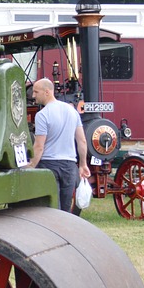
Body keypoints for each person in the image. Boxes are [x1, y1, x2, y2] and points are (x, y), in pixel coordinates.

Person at [28, 78, 89, 212]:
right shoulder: (72, 112)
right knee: (65, 209)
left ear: (47, 92)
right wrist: (83, 164)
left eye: (36, 92)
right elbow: (82, 141)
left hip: (49, 164)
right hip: (70, 165)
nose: (33, 96)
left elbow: (39, 146)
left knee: (52, 208)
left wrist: (31, 165)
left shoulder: (42, 115)